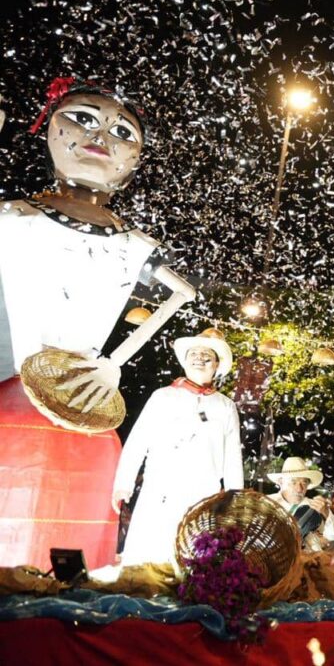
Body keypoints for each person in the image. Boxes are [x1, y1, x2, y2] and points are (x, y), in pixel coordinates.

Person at [0, 77, 196, 568]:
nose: (101, 137)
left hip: (86, 409)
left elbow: (182, 293)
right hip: (11, 396)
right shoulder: (13, 217)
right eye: (83, 119)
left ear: (135, 162)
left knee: (75, 546)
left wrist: (113, 364)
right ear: (47, 129)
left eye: (122, 132)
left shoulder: (135, 244)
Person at [110, 329, 243, 567]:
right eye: (194, 353)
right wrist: (123, 485)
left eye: (207, 355)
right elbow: (138, 442)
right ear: (184, 360)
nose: (199, 358)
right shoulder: (163, 397)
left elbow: (233, 457)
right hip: (159, 490)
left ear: (217, 364)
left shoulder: (226, 406)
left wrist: (236, 501)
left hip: (203, 496)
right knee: (147, 559)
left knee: (192, 563)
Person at [267, 457, 334, 552]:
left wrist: (326, 514)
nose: (299, 489)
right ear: (281, 482)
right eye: (293, 482)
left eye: (304, 482)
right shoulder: (266, 502)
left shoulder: (315, 505)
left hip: (307, 562)